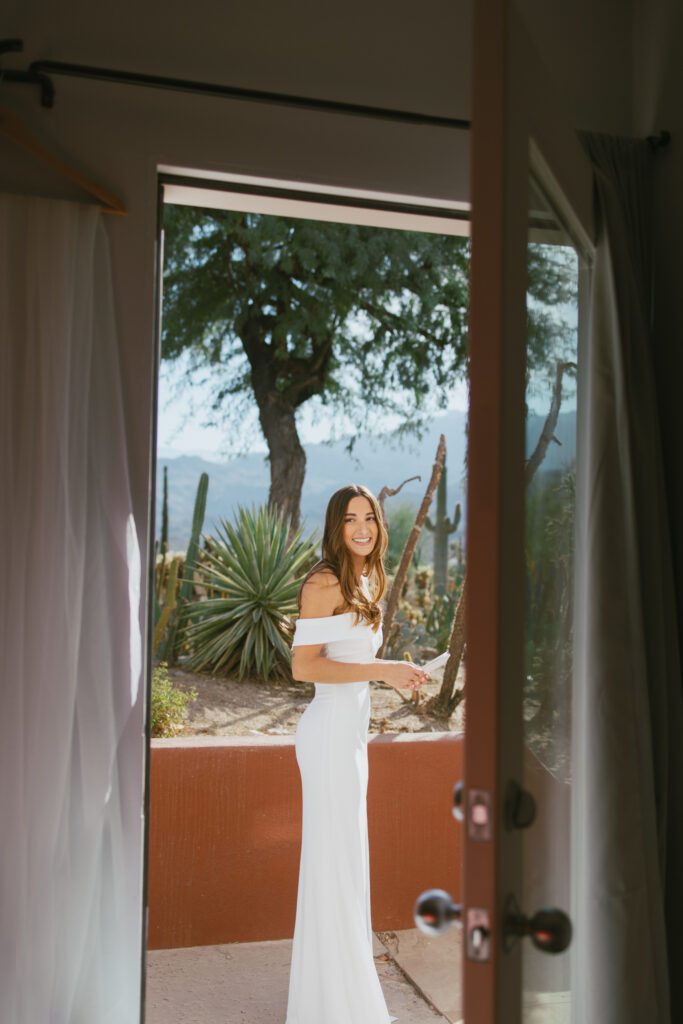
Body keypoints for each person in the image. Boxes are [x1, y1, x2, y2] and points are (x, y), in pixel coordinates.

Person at [285, 484, 430, 1024]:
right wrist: (383, 669)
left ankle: (337, 996)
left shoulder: (368, 577)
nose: (362, 528)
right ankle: (331, 1006)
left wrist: (398, 673)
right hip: (326, 740)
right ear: (335, 527)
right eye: (350, 520)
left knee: (346, 866)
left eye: (369, 517)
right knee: (333, 866)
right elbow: (305, 667)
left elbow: (354, 659)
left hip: (351, 739)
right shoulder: (323, 582)